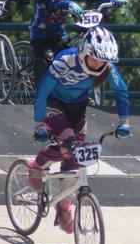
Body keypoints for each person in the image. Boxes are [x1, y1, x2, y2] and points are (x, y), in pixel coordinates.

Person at [28, 26, 131, 233]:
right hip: (53, 103)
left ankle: (64, 206)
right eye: (95, 59)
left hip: (78, 108)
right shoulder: (65, 61)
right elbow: (42, 92)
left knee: (75, 158)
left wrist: (124, 122)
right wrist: (38, 125)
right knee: (69, 142)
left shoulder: (107, 66)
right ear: (84, 52)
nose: (99, 64)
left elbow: (121, 90)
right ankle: (36, 165)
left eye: (103, 61)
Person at [30, 0, 125, 86]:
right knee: (44, 61)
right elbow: (51, 3)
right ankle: (40, 90)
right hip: (41, 36)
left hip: (59, 36)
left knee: (69, 59)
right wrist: (68, 3)